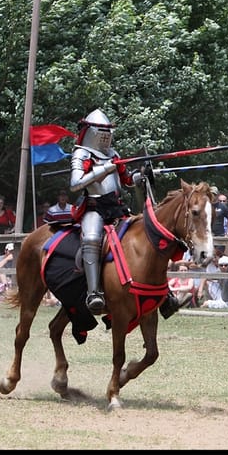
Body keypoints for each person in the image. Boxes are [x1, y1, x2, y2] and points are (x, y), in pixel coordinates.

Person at [69, 108, 144, 315]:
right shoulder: (82, 153)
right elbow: (75, 184)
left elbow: (127, 180)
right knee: (92, 239)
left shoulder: (113, 154)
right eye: (101, 129)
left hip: (116, 208)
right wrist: (104, 169)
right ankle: (94, 293)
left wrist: (139, 176)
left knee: (143, 234)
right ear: (91, 131)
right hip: (94, 208)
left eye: (107, 130)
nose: (105, 134)